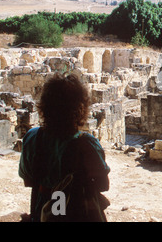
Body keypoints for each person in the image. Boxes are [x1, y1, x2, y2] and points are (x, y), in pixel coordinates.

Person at [19, 73, 110, 222]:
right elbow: (103, 185)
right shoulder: (87, 143)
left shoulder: (32, 137)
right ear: (80, 109)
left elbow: (28, 181)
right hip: (78, 213)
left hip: (43, 211)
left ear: (45, 106)